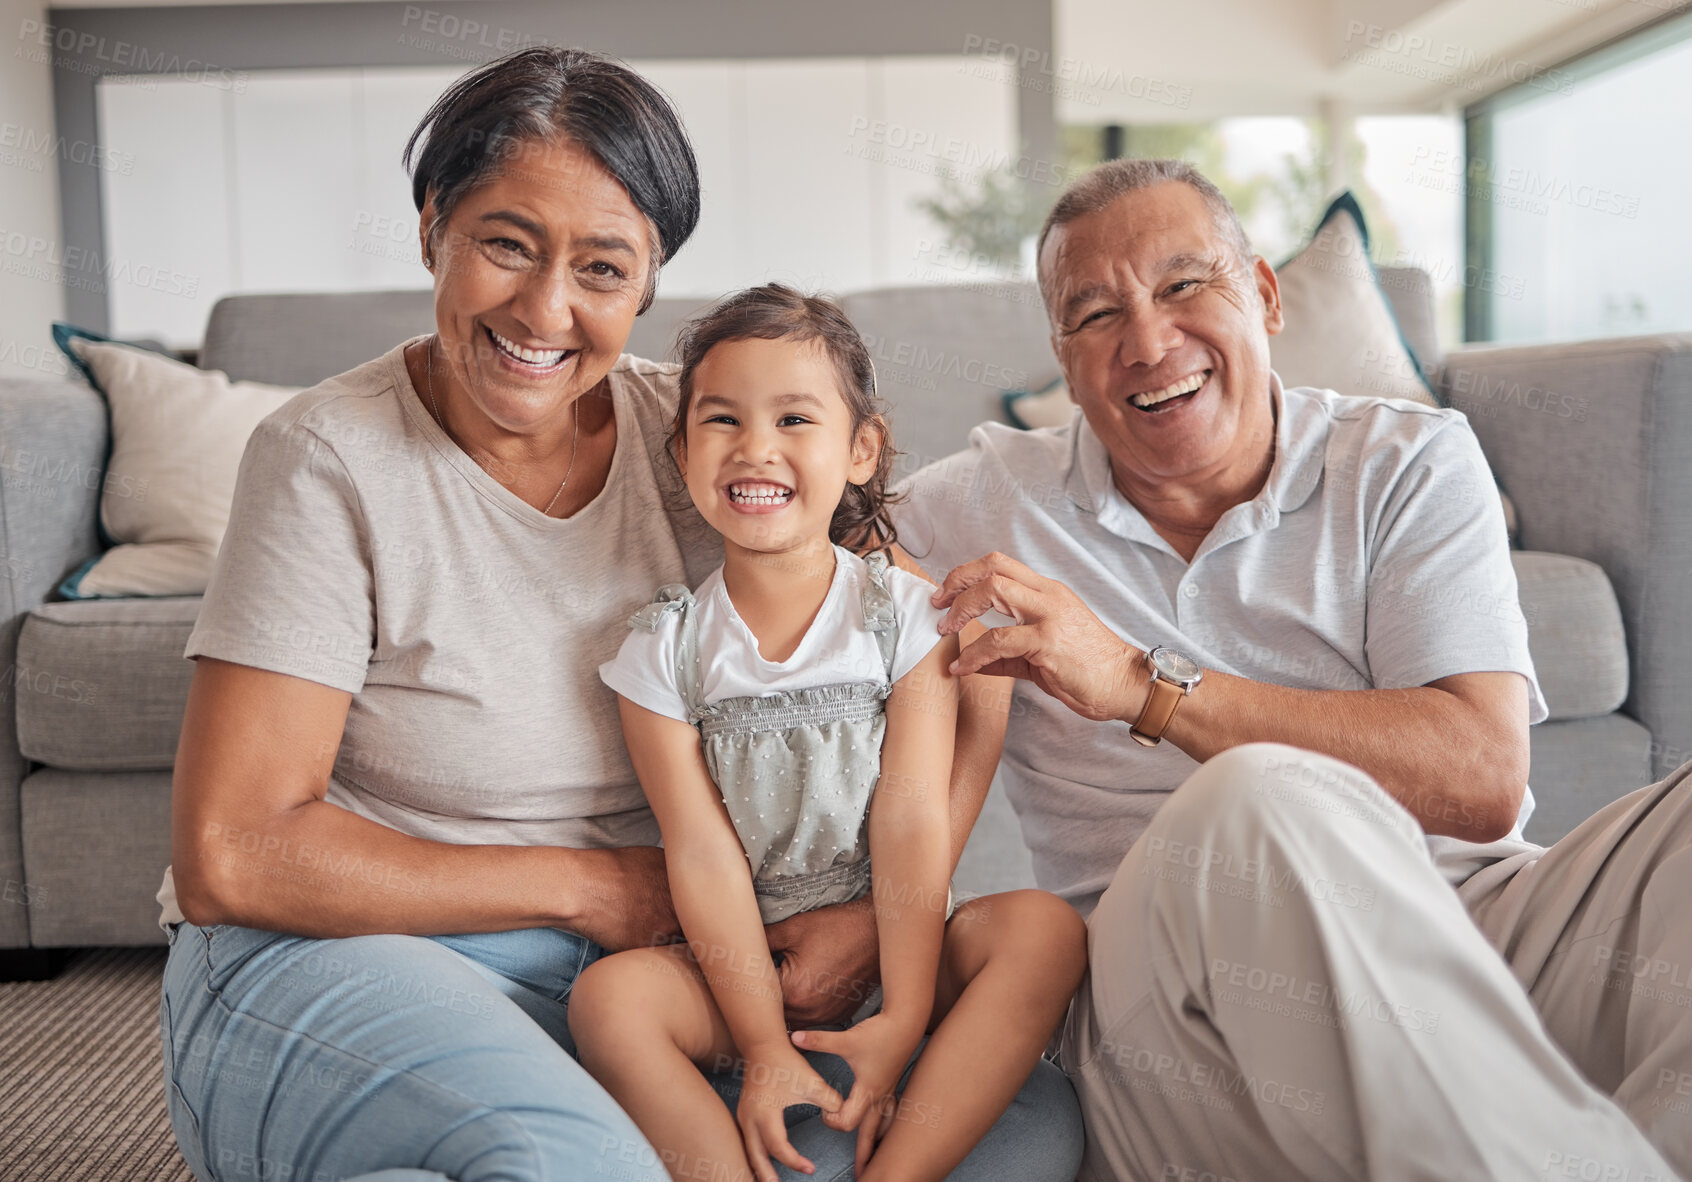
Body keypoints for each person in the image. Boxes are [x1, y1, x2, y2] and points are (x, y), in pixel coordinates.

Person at [157, 47, 1082, 1182]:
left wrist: (877, 918)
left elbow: (928, 654)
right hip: (369, 951)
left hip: (669, 970)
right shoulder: (324, 461)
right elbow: (231, 855)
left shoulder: (712, 438)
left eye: (601, 267)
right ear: (431, 228)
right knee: (574, 1165)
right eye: (506, 243)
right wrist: (594, 887)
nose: (545, 309)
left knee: (1024, 1132)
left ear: (647, 285)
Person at [893, 157, 1691, 1181]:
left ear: (1264, 297)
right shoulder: (976, 503)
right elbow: (769, 491)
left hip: (1479, 926)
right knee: (1256, 803)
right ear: (1062, 352)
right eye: (1095, 314)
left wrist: (1145, 688)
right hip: (1181, 1023)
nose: (1147, 342)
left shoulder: (1406, 460)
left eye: (1186, 286)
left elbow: (1484, 780)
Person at [576, 285, 1086, 1182]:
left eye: (794, 418)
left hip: (902, 941)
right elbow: (700, 857)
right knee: (609, 1001)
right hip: (751, 968)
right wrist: (763, 1045)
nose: (755, 447)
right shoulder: (662, 651)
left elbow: (913, 814)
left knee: (1042, 932)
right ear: (683, 453)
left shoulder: (901, 615)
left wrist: (904, 1007)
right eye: (722, 420)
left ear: (860, 450)